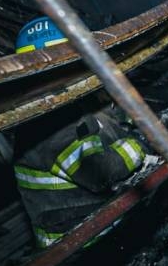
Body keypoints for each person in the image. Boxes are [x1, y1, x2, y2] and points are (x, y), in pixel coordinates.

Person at [12, 16, 149, 248]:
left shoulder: (66, 100)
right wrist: (140, 144)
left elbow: (104, 124)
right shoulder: (44, 121)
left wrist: (131, 119)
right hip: (77, 246)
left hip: (95, 223)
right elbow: (100, 173)